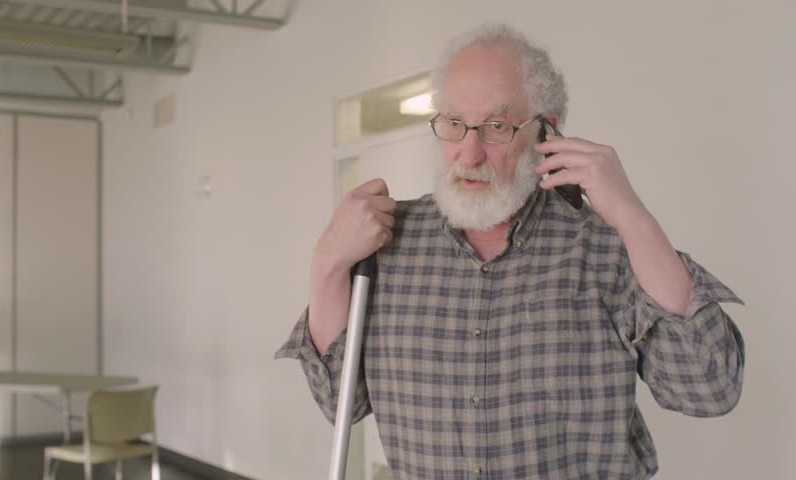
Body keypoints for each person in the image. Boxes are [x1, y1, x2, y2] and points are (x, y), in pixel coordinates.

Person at [275, 23, 745, 480]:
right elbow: (340, 404)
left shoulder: (609, 248)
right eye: (455, 124)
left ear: (547, 132)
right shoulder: (384, 243)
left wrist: (634, 217)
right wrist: (327, 262)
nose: (469, 152)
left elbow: (708, 388)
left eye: (496, 126)